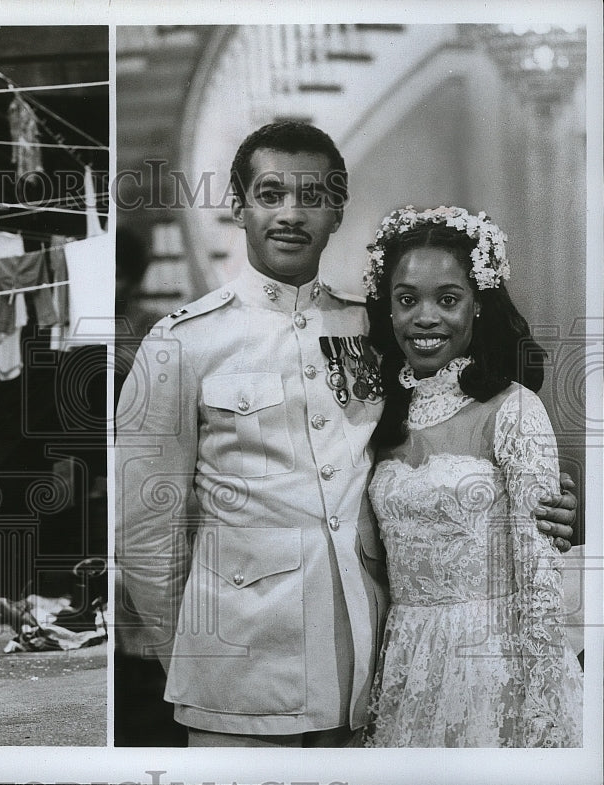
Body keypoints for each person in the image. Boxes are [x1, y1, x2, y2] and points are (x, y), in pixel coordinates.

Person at [114, 121, 578, 747]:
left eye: (312, 197)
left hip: (370, 669)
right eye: (270, 194)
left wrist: (554, 506)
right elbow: (145, 530)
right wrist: (195, 665)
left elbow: (451, 430)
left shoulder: (376, 330)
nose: (290, 215)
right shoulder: (182, 342)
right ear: (237, 204)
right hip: (237, 676)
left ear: (337, 211)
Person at [361, 206, 583, 747]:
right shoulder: (374, 416)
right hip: (404, 656)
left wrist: (541, 709)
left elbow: (540, 581)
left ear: (478, 306)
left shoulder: (513, 408)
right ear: (387, 309)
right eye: (407, 299)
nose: (426, 317)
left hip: (493, 658)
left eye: (449, 298)